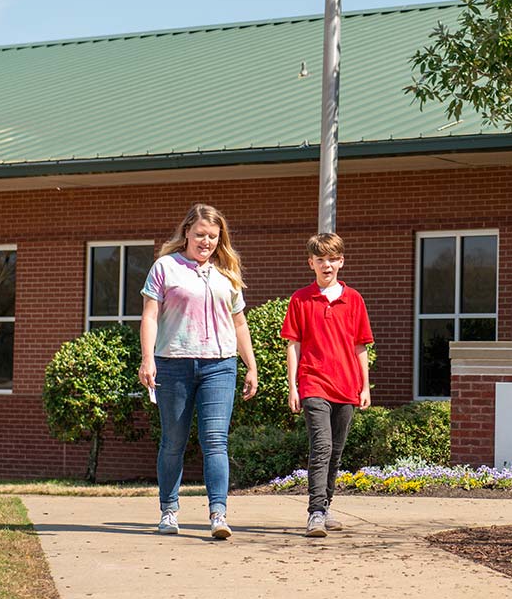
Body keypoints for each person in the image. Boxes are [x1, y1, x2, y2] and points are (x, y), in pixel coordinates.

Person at [139, 203, 257, 539]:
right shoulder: (165, 267)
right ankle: (169, 510)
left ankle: (218, 514)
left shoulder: (226, 273)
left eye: (213, 237)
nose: (206, 241)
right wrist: (148, 359)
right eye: (201, 234)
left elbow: (239, 322)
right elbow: (149, 316)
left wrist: (251, 365)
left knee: (215, 441)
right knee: (173, 442)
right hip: (174, 364)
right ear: (187, 232)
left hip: (220, 365)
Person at [280, 232, 374, 538]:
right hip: (313, 382)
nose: (327, 265)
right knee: (320, 446)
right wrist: (293, 386)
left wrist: (365, 387)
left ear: (341, 261)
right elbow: (293, 345)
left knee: (335, 451)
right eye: (320, 259)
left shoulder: (354, 300)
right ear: (311, 263)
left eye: (333, 259)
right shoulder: (301, 299)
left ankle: (327, 506)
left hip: (346, 386)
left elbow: (361, 346)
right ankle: (316, 513)